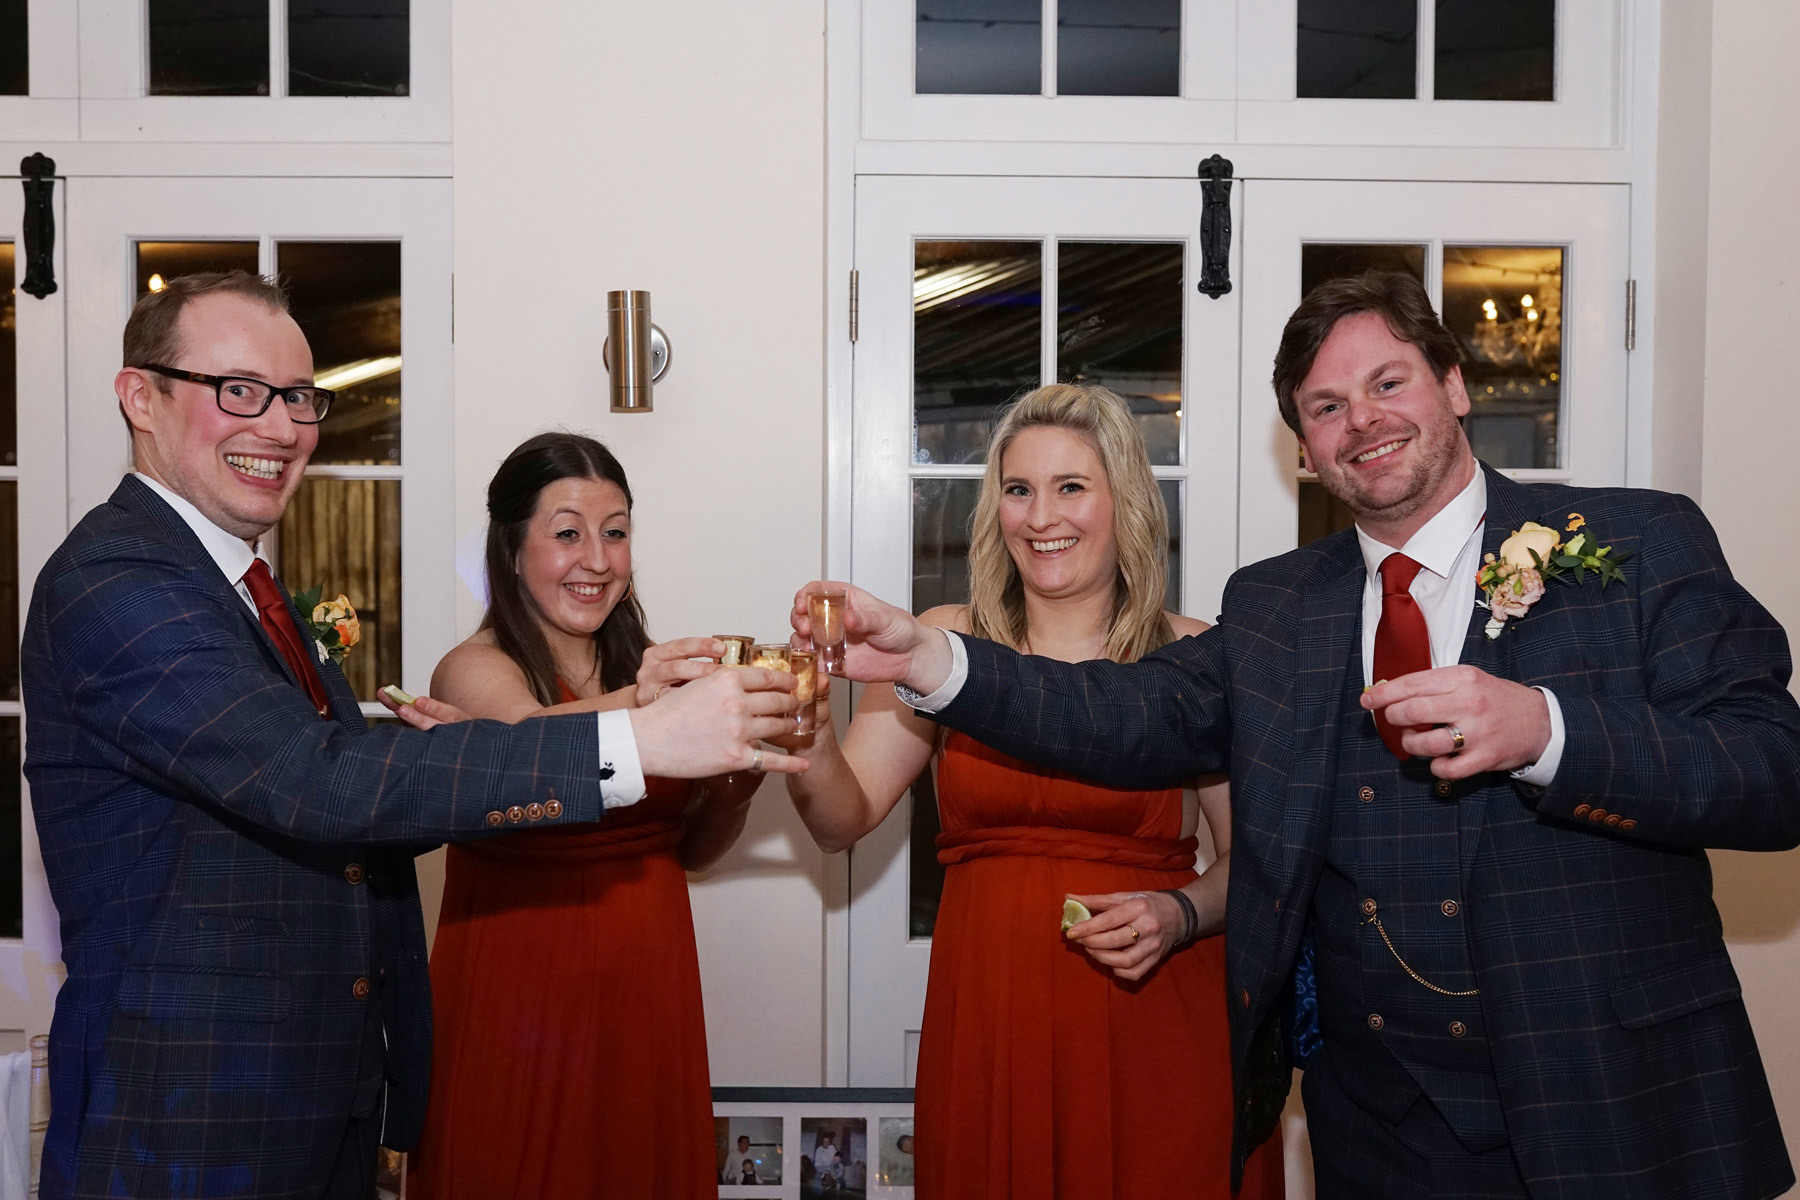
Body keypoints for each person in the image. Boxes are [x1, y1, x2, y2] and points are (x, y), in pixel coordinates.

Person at [796, 272, 1800, 1200]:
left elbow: (1773, 770)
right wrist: (930, 659)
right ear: (1307, 451)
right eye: (1325, 407)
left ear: (1454, 385)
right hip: (1380, 1127)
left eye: (1387, 383)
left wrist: (1549, 732)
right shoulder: (1276, 607)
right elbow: (1121, 711)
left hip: (1617, 1103)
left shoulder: (1633, 542)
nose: (1361, 419)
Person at [20, 271, 805, 1200]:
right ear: (140, 398)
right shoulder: (119, 580)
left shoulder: (241, 588)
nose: (281, 427)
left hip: (309, 1105)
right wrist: (640, 738)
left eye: (299, 398)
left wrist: (443, 758)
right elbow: (316, 780)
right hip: (186, 1118)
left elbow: (339, 808)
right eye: (239, 390)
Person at [782, 385, 1281, 1198]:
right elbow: (842, 819)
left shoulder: (1192, 656)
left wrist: (1180, 912)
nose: (1041, 516)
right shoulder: (943, 642)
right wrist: (803, 728)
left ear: (1125, 502)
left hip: (1153, 1012)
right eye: (1019, 489)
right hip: (991, 1014)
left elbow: (1254, 862)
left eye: (1070, 486)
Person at [402, 433, 754, 1198]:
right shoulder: (472, 667)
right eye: (567, 533)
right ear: (512, 549)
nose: (597, 559)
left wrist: (737, 782)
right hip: (520, 996)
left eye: (615, 532)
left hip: (648, 989)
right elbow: (525, 741)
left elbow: (691, 850)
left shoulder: (649, 667)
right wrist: (647, 704)